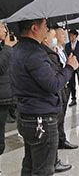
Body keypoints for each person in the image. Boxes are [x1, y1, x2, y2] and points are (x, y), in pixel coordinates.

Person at [10, 18, 79, 175]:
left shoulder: (19, 48)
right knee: (43, 170)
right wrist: (70, 67)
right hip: (41, 119)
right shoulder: (34, 53)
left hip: (27, 115)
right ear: (35, 28)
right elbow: (53, 84)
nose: (48, 30)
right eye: (46, 26)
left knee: (29, 165)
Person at [40, 27, 73, 173]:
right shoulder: (45, 54)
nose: (63, 35)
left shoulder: (59, 49)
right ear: (46, 38)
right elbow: (54, 78)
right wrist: (70, 68)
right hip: (55, 91)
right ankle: (53, 161)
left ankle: (61, 140)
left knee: (60, 120)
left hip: (63, 88)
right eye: (57, 34)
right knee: (52, 128)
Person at [53, 27, 79, 150]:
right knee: (58, 116)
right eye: (61, 33)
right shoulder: (53, 50)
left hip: (66, 85)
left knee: (62, 115)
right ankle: (57, 141)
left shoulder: (62, 49)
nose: (64, 35)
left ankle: (62, 139)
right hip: (58, 85)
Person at [0, 22, 16, 169]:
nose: (5, 30)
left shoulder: (3, 47)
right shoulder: (5, 47)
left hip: (5, 98)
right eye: (1, 27)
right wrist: (7, 47)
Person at [65, 29, 79, 107]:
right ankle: (73, 98)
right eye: (69, 35)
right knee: (72, 83)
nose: (70, 37)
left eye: (72, 35)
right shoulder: (67, 45)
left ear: (75, 36)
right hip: (71, 66)